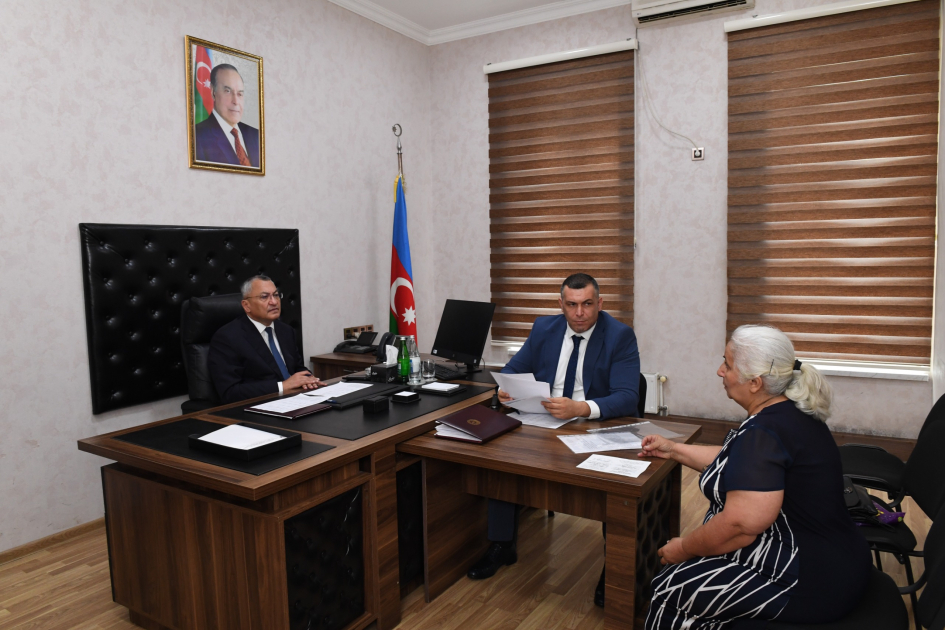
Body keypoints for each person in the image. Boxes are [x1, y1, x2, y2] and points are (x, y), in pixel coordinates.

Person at [639, 325, 871, 629]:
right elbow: (739, 462)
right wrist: (673, 450)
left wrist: (683, 548)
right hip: (838, 559)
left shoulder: (763, 433)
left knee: (669, 587)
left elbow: (739, 526)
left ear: (755, 383)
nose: (720, 371)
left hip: (806, 578)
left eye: (727, 365)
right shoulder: (791, 412)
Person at [466, 273, 641, 608]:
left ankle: (614, 566)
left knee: (614, 487)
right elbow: (513, 370)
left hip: (593, 425)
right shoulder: (544, 328)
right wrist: (505, 390)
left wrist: (581, 408)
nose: (580, 313)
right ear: (560, 304)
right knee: (501, 457)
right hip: (542, 421)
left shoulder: (619, 335)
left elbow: (627, 396)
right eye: (572, 305)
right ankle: (502, 545)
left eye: (587, 304)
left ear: (600, 303)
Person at [209, 275, 321, 403]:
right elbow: (230, 392)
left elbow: (297, 368)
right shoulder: (227, 337)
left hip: (297, 399)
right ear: (246, 305)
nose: (274, 302)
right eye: (264, 297)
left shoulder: (286, 331)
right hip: (260, 405)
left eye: (276, 295)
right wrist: (282, 386)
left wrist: (309, 379)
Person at [194, 63, 260, 167]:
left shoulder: (256, 135)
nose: (236, 101)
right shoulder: (197, 137)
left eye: (240, 94)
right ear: (213, 92)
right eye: (227, 91)